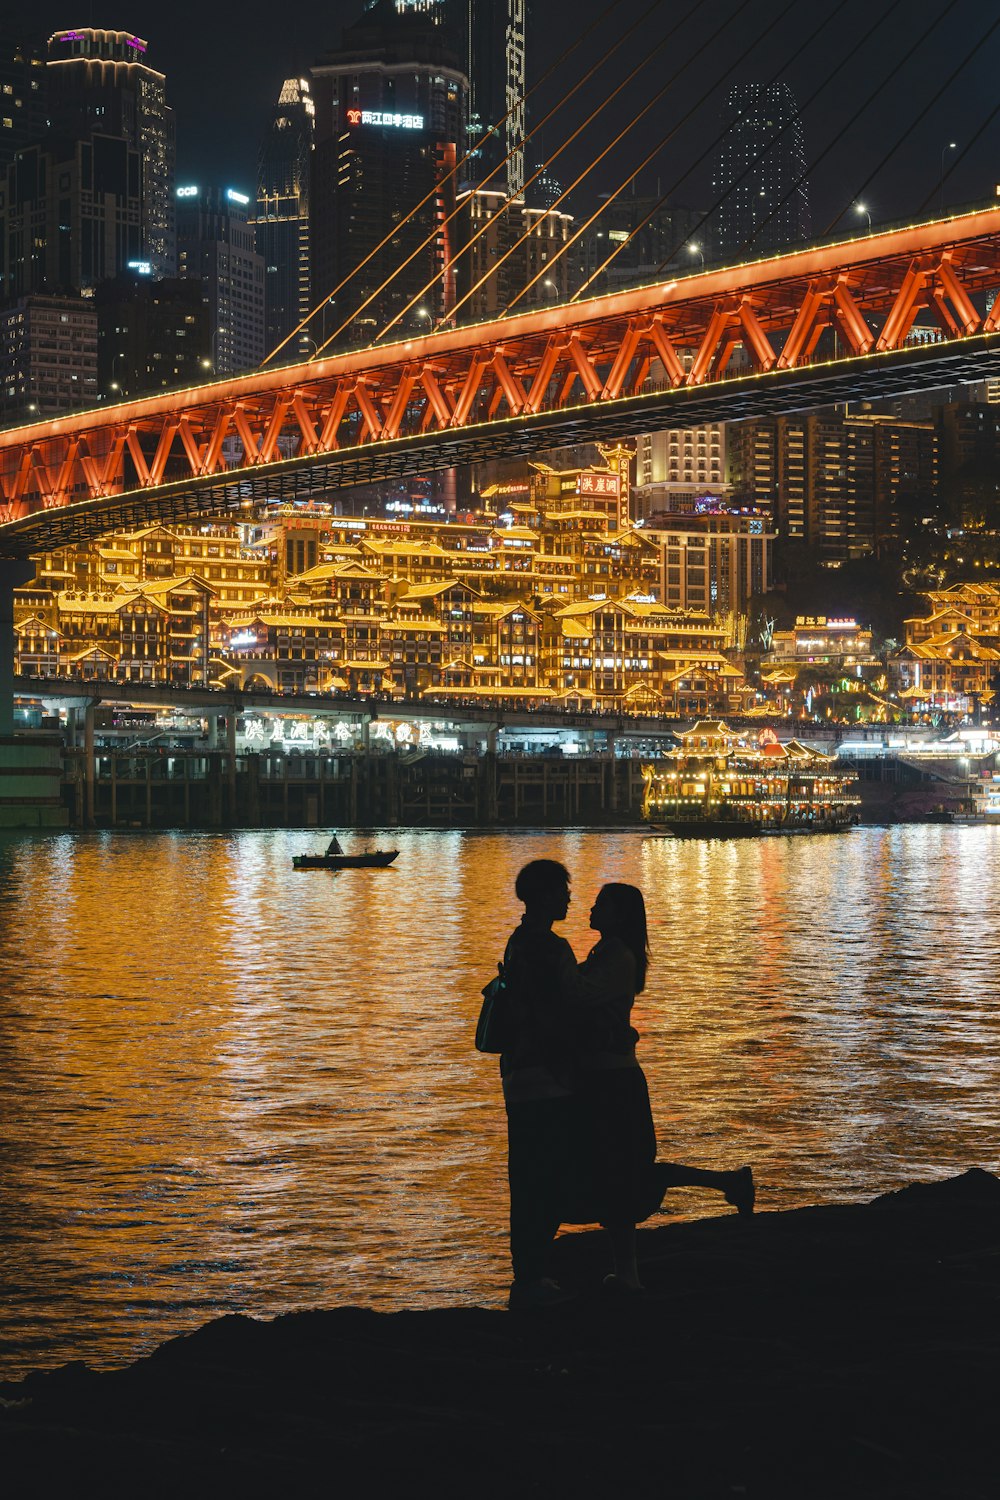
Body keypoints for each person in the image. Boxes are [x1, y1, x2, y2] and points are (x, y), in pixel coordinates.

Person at [570, 882, 754, 1293]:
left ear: (618, 914)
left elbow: (580, 997)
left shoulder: (617, 957)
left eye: (601, 903)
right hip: (608, 1074)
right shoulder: (609, 952)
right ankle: (727, 1184)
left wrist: (555, 968)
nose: (591, 908)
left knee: (626, 1174)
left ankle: (728, 1183)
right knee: (624, 1176)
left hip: (613, 1079)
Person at [499, 858, 580, 1311]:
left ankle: (526, 1276)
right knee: (548, 1178)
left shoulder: (516, 943)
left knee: (525, 1178)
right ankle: (534, 1277)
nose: (569, 898)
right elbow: (571, 1007)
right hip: (549, 1077)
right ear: (545, 895)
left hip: (518, 1076)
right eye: (563, 891)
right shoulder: (552, 949)